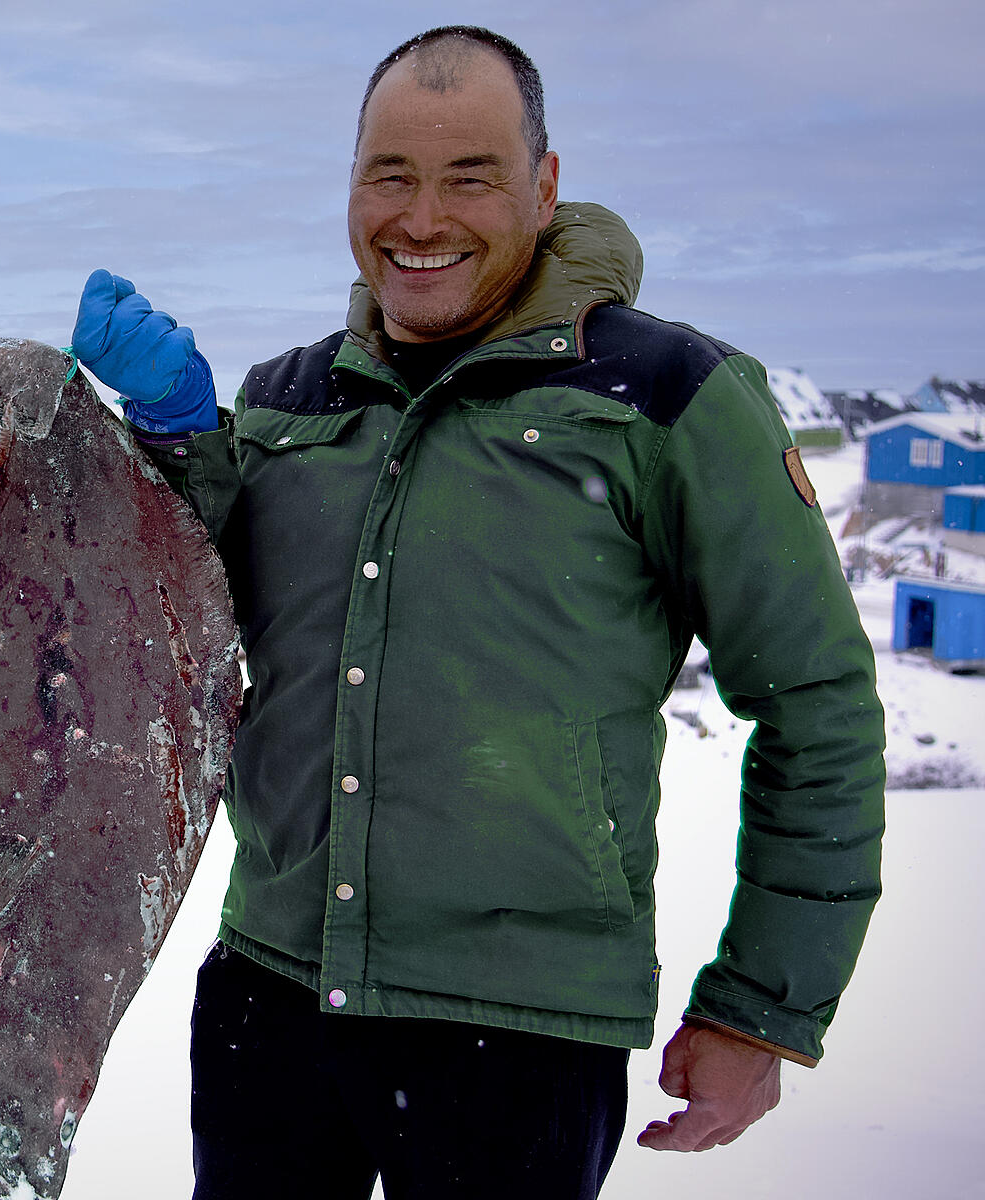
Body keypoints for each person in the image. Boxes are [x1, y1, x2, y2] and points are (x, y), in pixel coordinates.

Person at [70, 25, 884, 1200]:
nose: (420, 217)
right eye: (389, 175)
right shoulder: (293, 399)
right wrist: (179, 436)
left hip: (518, 1037)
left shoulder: (665, 399)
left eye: (470, 176)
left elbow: (815, 706)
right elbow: (217, 622)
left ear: (545, 188)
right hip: (269, 1001)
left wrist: (764, 1008)